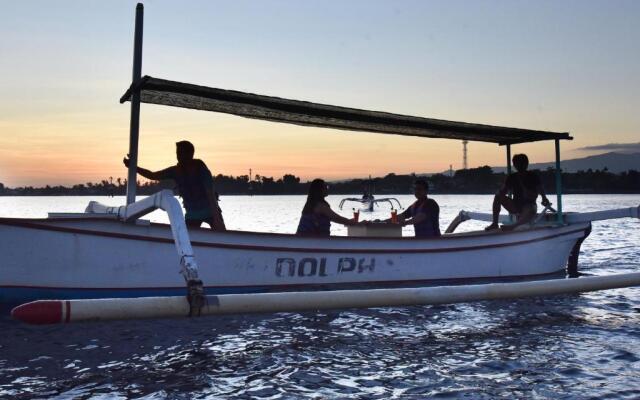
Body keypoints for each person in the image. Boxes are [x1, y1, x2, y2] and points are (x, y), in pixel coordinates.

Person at [123, 140, 226, 230]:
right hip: (192, 214)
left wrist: (216, 218)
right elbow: (153, 175)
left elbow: (210, 193)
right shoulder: (175, 171)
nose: (178, 156)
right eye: (177, 153)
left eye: (181, 153)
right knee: (187, 239)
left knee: (222, 236)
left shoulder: (200, 167)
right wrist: (133, 167)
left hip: (210, 211)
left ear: (190, 154)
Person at [485, 153, 551, 231]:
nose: (519, 166)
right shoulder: (512, 177)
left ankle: (514, 226)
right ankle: (495, 224)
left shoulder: (532, 176)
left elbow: (540, 188)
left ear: (526, 164)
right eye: (517, 163)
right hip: (515, 205)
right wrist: (500, 192)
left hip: (529, 204)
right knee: (498, 197)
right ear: (515, 165)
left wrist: (544, 198)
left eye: (521, 163)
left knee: (530, 208)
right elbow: (504, 190)